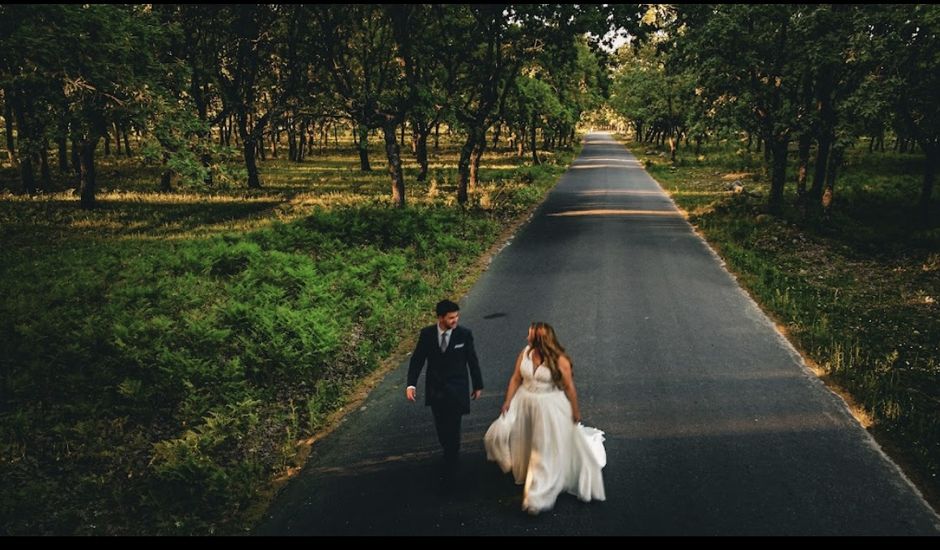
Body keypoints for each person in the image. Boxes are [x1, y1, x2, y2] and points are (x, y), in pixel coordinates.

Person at [484, 322, 606, 514]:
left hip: (549, 405)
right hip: (524, 402)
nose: (527, 338)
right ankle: (518, 467)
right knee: (507, 437)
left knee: (543, 447)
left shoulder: (560, 360)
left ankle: (538, 495)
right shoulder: (525, 353)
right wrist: (508, 401)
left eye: (530, 335)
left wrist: (575, 412)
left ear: (541, 339)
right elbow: (516, 378)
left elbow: (569, 388)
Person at [406, 299, 483, 493]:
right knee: (441, 425)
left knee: (454, 424)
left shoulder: (464, 334)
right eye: (451, 317)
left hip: (456, 389)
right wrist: (411, 384)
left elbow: (472, 360)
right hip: (436, 390)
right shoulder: (427, 335)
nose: (455, 320)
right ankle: (448, 448)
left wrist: (478, 385)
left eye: (456, 316)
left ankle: (452, 459)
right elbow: (417, 360)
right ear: (440, 318)